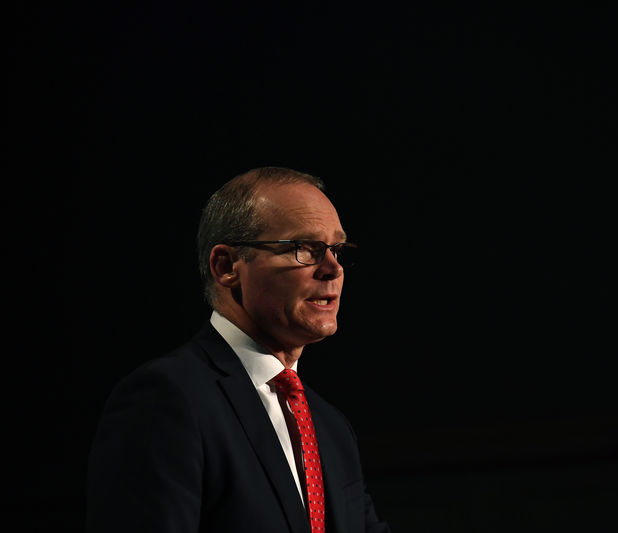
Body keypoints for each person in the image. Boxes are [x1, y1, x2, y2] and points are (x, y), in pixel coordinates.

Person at [86, 166, 391, 533]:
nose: (332, 269)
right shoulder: (166, 400)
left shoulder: (331, 427)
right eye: (303, 249)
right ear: (227, 266)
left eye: (337, 250)